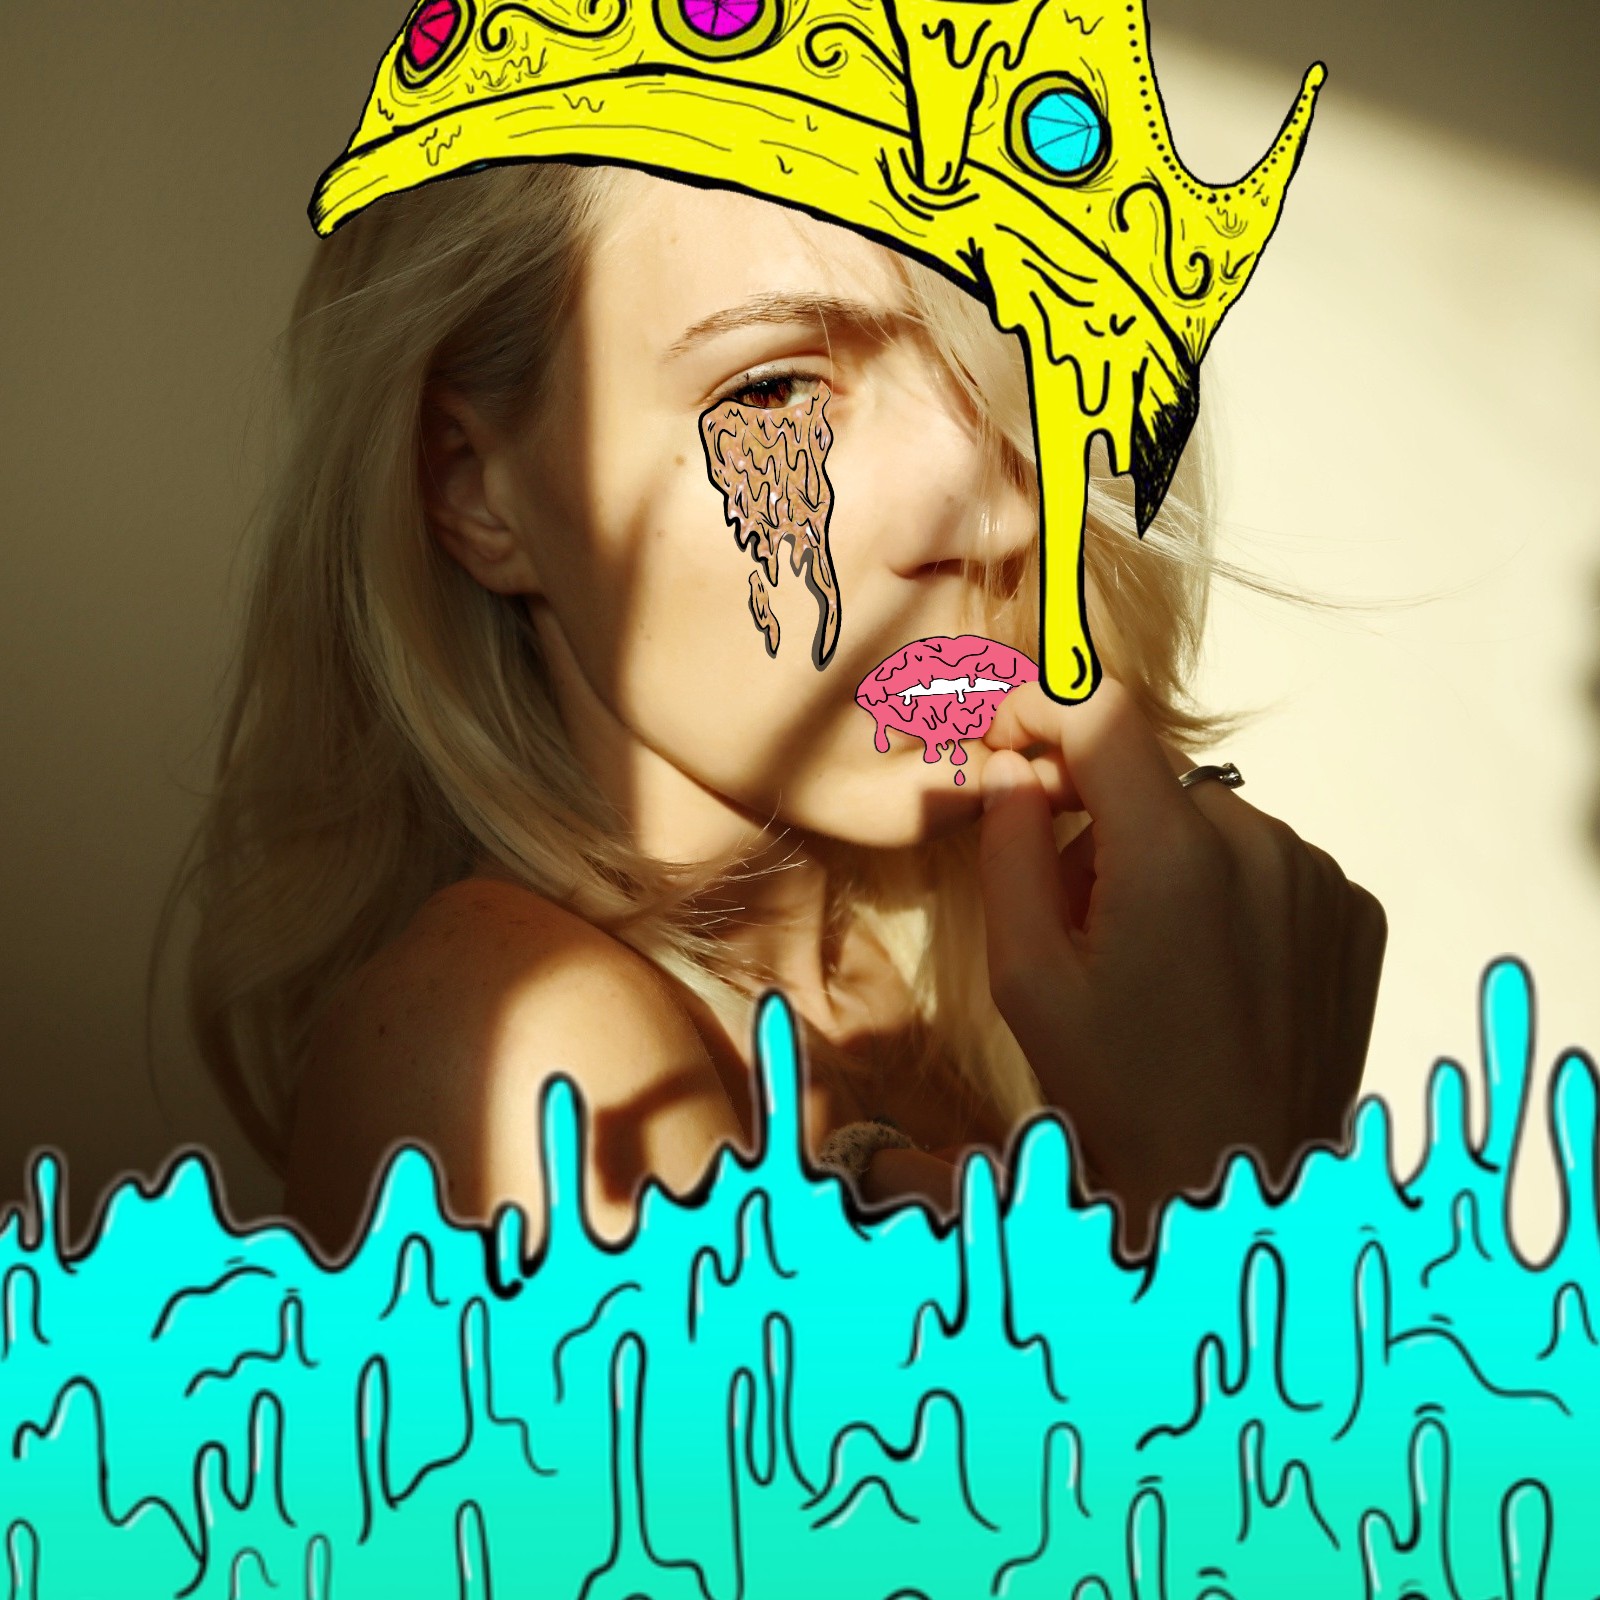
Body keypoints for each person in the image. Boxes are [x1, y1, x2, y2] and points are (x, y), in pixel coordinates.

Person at [169, 159, 1386, 1264]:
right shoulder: (517, 1044)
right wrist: (1229, 1181)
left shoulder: (923, 990)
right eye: (775, 389)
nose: (998, 514)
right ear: (476, 489)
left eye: (1011, 375)